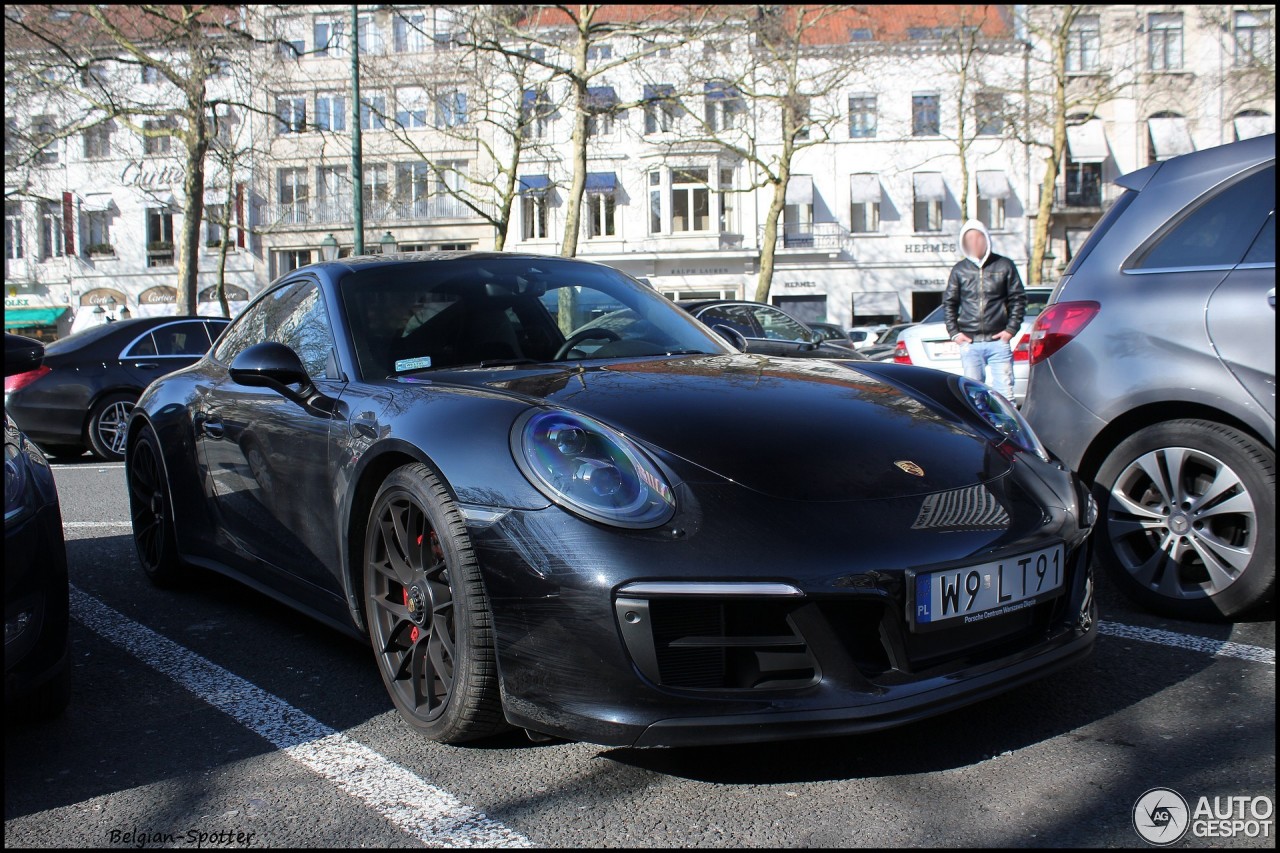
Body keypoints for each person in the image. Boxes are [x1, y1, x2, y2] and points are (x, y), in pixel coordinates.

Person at [942, 219, 1026, 400]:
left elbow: (1018, 299)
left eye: (978, 237)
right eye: (969, 238)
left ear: (986, 238)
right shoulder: (960, 270)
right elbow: (949, 303)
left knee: (1005, 396)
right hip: (970, 342)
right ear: (963, 242)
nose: (975, 242)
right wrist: (955, 333)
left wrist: (1010, 330)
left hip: (998, 342)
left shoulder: (1004, 265)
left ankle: (1005, 428)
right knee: (974, 396)